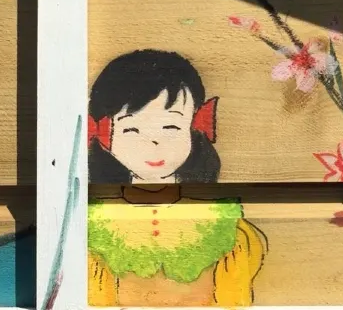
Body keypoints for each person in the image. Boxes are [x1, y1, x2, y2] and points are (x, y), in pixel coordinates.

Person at [86, 49, 267, 306]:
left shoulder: (227, 230)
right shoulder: (92, 227)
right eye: (131, 129)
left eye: (171, 127)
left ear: (194, 128)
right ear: (105, 137)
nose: (154, 142)